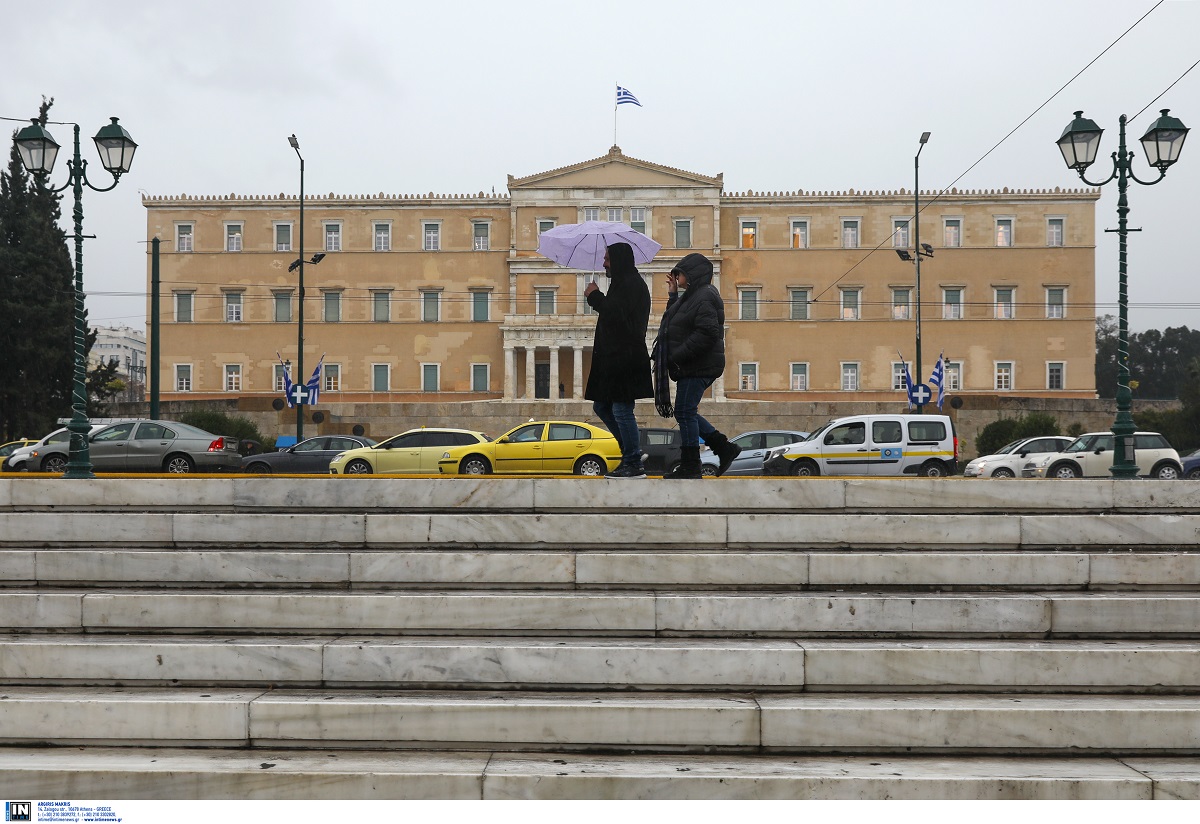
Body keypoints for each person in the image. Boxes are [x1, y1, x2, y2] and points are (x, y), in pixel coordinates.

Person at [654, 252, 741, 478]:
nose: (675, 276)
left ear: (692, 273)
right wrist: (673, 295)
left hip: (697, 364)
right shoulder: (690, 296)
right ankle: (723, 447)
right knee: (685, 411)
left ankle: (692, 464)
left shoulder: (704, 295)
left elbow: (708, 332)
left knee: (684, 411)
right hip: (692, 364)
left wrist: (677, 356)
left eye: (679, 272)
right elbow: (676, 320)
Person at [584, 242, 654, 479]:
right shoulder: (623, 283)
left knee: (622, 410)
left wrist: (594, 296)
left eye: (607, 259)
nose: (604, 263)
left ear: (619, 261)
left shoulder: (631, 285)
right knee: (601, 405)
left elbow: (616, 315)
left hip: (625, 359)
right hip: (615, 359)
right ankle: (630, 452)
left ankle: (633, 462)